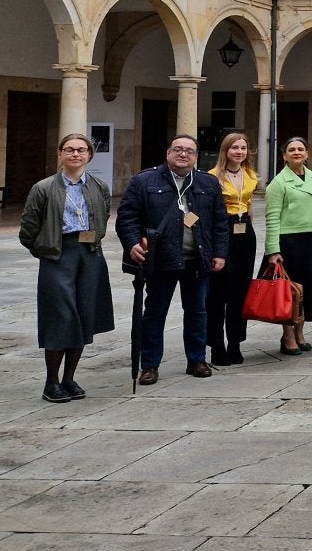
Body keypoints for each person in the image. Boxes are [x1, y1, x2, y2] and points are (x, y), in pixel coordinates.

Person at [116, 133, 229, 383]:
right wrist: (132, 243)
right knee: (155, 313)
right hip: (161, 259)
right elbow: (127, 217)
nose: (183, 154)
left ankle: (197, 359)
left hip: (197, 258)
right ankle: (150, 365)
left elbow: (220, 222)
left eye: (189, 151)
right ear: (168, 153)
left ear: (196, 157)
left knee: (197, 311)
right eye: (178, 149)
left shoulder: (208, 183)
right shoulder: (144, 181)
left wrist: (220, 253)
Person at [20, 133, 114, 402]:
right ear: (60, 153)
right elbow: (28, 227)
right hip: (58, 255)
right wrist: (45, 249)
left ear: (89, 155)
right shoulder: (44, 188)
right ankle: (51, 382)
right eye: (70, 149)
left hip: (89, 254)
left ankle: (69, 378)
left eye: (81, 150)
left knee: (84, 314)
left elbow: (104, 214)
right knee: (60, 316)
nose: (75, 154)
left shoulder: (99, 186)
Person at [263, 136, 312, 355]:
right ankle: (288, 336)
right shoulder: (278, 183)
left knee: (307, 290)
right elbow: (272, 218)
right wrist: (273, 250)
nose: (297, 152)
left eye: (301, 149)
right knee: (289, 293)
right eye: (291, 150)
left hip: (311, 242)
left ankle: (300, 333)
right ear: (284, 156)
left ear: (307, 154)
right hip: (288, 244)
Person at [207, 132, 259, 364]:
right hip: (222, 230)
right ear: (225, 150)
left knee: (240, 291)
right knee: (218, 293)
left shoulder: (251, 175)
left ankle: (235, 342)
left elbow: (249, 204)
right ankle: (217, 345)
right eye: (234, 148)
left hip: (244, 233)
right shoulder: (212, 177)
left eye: (243, 148)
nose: (239, 152)